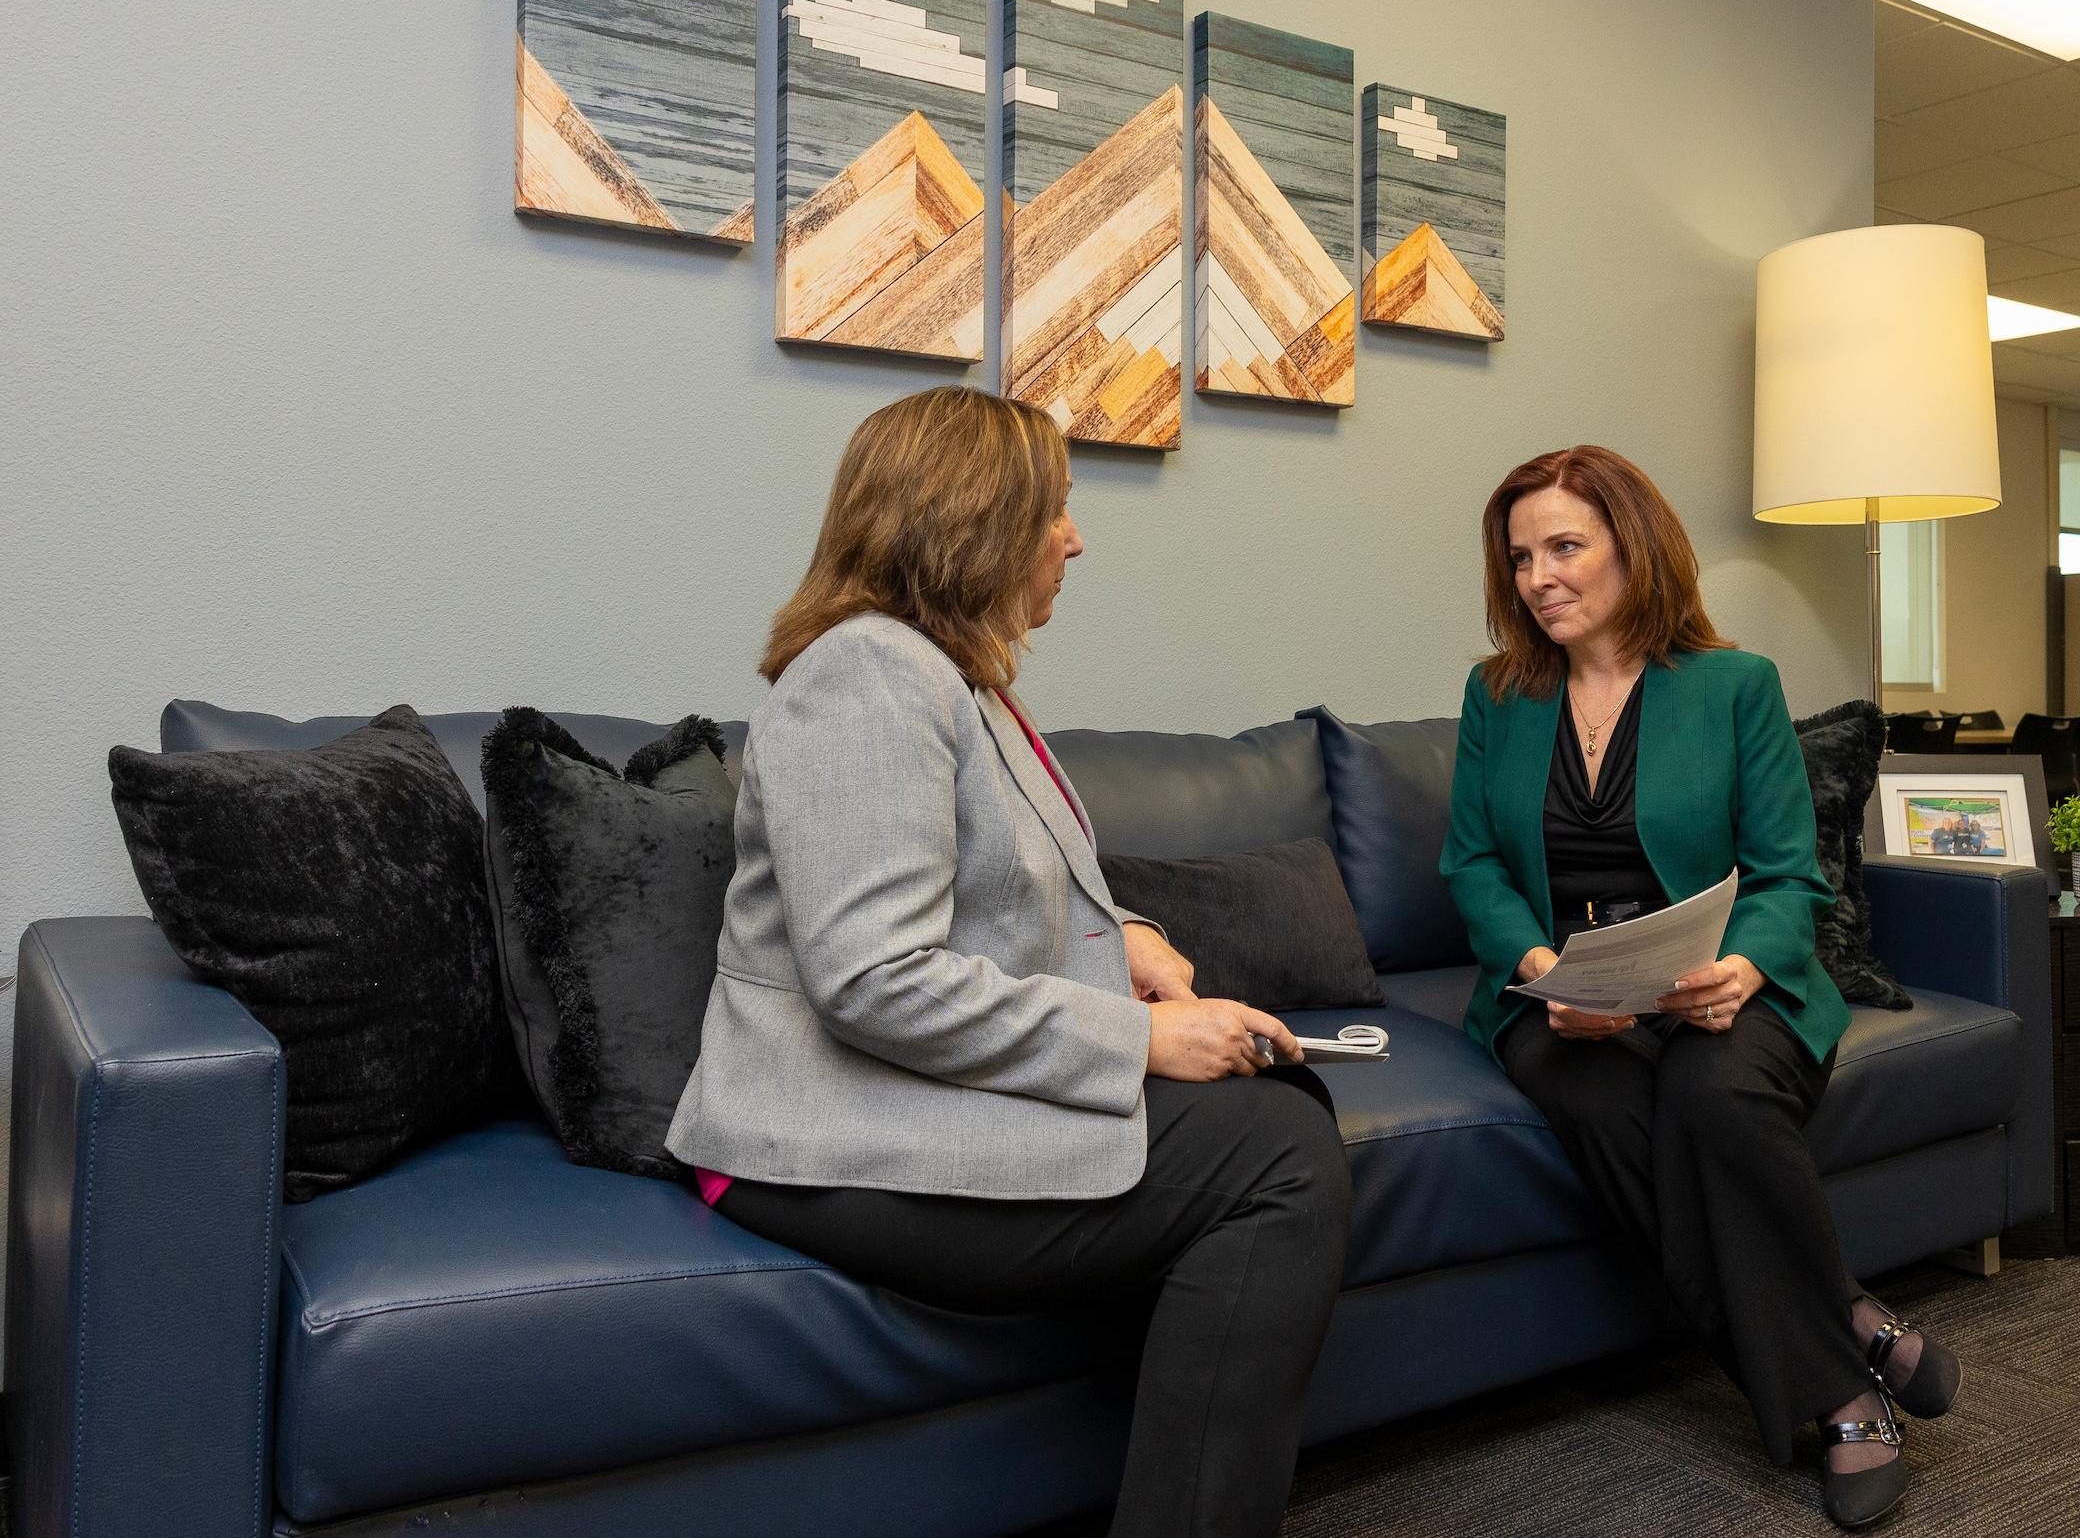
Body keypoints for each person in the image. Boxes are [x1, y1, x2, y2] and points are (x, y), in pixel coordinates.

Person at [666, 385, 1351, 1538]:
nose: (1074, 539)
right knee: (1277, 1159)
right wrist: (1138, 1039)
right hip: (816, 1141)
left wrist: (1120, 941)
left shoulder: (958, 680)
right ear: (969, 522)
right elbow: (873, 978)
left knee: (1276, 1111)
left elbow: (981, 895)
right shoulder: (866, 677)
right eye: (1054, 512)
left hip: (884, 1103)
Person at [1439, 446, 1963, 1530]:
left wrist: (1740, 967)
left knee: (1711, 1094)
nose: (1539, 576)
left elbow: (1786, 874)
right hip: (1560, 993)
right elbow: (1473, 867)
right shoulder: (1496, 694)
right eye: (1521, 555)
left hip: (1719, 981)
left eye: (1565, 547)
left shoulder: (1734, 686)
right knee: (1596, 1096)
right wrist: (1539, 971)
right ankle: (1843, 1371)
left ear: (1634, 547)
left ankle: (1835, 1348)